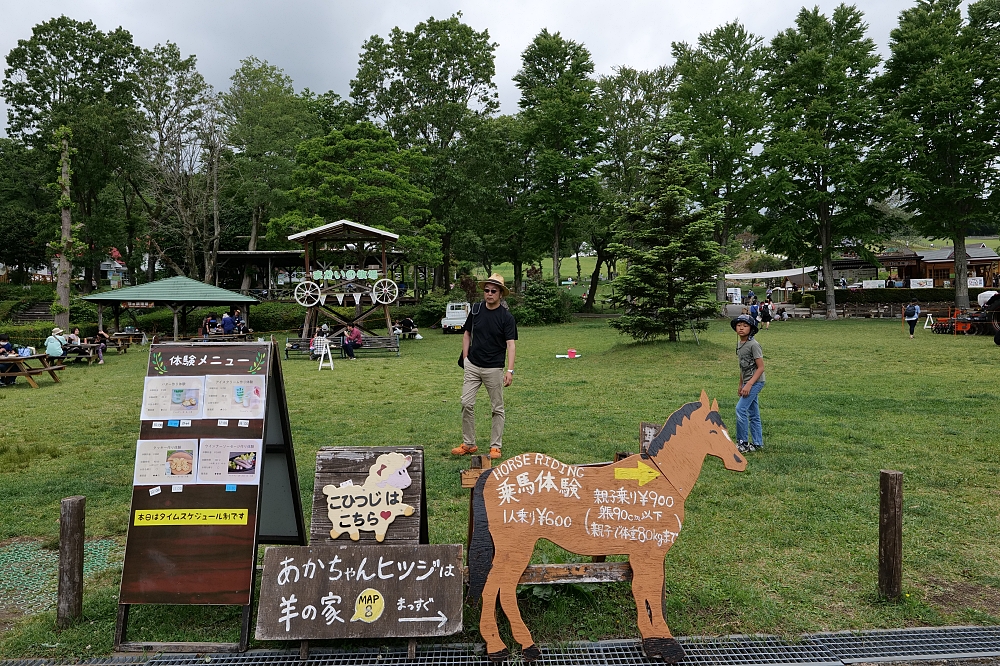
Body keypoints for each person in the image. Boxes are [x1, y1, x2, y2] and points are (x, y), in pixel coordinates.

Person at [453, 273, 518, 461]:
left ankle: (495, 447)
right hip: (472, 365)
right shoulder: (476, 310)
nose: (489, 294)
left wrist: (510, 370)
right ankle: (469, 444)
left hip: (494, 368)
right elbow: (467, 334)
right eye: (486, 290)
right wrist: (466, 357)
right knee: (466, 403)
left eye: (493, 291)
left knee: (497, 408)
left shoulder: (506, 317)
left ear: (500, 294)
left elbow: (511, 344)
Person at [732, 314, 765, 453]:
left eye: (745, 326)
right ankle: (758, 443)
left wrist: (749, 384)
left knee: (740, 409)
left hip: (756, 382)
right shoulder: (740, 344)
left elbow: (761, 368)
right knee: (753, 413)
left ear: (751, 329)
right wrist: (741, 384)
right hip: (747, 382)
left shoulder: (754, 345)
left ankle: (742, 443)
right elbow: (743, 367)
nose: (741, 328)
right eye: (739, 325)